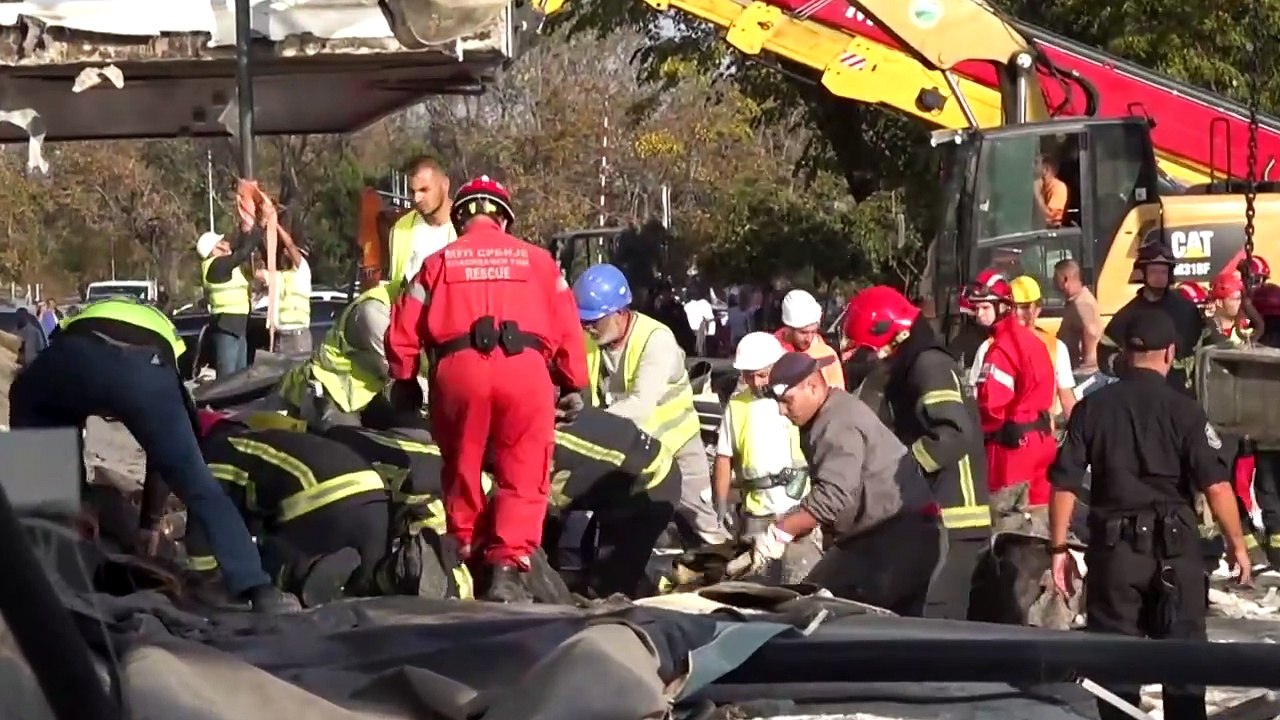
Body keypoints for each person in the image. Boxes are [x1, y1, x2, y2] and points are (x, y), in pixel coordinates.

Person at [9, 297, 296, 612]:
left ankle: (28, 546)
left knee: (29, 400)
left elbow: (61, 416)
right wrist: (150, 523)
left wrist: (76, 494)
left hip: (74, 357)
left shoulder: (84, 316)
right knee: (197, 482)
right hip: (145, 369)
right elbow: (164, 459)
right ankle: (257, 587)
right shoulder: (168, 340)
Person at [385, 175, 587, 602]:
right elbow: (568, 325)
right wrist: (573, 382)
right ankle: (506, 570)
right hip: (525, 372)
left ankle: (467, 551)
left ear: (460, 220)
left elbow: (405, 324)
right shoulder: (540, 263)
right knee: (524, 469)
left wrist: (404, 378)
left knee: (462, 465)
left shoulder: (437, 263)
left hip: (458, 372)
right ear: (504, 220)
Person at [1048, 308, 1251, 720]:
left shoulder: (1092, 408)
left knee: (1116, 668)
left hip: (1115, 556)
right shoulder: (1186, 411)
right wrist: (1237, 545)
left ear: (1125, 353)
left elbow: (1064, 483)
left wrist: (1057, 549)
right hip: (1176, 554)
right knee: (1185, 667)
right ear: (1170, 353)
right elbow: (1216, 486)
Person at [729, 352, 941, 616]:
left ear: (813, 387)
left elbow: (832, 496)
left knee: (829, 613)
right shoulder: (829, 413)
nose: (782, 411)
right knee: (827, 601)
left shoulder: (836, 423)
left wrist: (779, 532)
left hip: (896, 538)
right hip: (886, 535)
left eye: (787, 401)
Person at [842, 285, 991, 620]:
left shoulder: (929, 365)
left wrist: (904, 467)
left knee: (938, 621)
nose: (872, 356)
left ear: (892, 333)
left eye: (871, 348)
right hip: (937, 516)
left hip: (955, 516)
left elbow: (953, 433)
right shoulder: (914, 363)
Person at [574, 263, 728, 548]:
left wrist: (586, 425)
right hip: (632, 450)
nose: (588, 328)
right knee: (624, 527)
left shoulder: (655, 340)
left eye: (594, 320)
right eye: (584, 321)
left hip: (677, 448)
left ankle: (723, 565)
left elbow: (640, 407)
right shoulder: (590, 341)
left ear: (619, 313)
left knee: (703, 526)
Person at [187, 411, 391, 607]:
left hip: (326, 501)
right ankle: (371, 575)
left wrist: (202, 575)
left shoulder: (218, 451)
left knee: (265, 567)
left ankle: (303, 572)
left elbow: (204, 515)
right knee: (368, 580)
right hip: (375, 498)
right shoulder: (268, 442)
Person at [712, 332, 823, 585]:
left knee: (802, 578)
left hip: (797, 506)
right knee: (756, 583)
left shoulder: (796, 400)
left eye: (761, 375)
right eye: (748, 375)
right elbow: (723, 458)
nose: (755, 382)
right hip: (757, 513)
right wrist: (720, 503)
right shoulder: (737, 406)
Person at [975, 278, 1057, 507]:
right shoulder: (1034, 341)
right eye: (976, 308)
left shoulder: (1000, 349)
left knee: (1007, 516)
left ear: (1003, 306)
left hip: (1012, 448)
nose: (978, 315)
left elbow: (992, 406)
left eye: (985, 307)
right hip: (1042, 439)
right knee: (1040, 511)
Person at [275, 283, 397, 430]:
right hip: (333, 394)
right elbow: (397, 368)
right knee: (347, 441)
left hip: (360, 398)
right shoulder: (374, 311)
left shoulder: (402, 311)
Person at [1099, 243, 1204, 397]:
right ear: (1143, 273)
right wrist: (1127, 367)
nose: (1159, 276)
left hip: (1182, 392)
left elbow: (1206, 343)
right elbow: (1105, 352)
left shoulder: (1186, 310)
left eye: (1163, 272)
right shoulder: (1128, 314)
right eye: (1154, 271)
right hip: (1142, 393)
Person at [198, 183, 261, 377]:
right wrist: (260, 228)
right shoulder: (216, 267)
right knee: (227, 380)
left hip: (237, 327)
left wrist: (247, 225)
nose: (226, 243)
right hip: (226, 327)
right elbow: (242, 253)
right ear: (214, 250)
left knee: (240, 379)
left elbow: (239, 246)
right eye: (221, 242)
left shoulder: (221, 263)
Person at [386, 156, 456, 300]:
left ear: (445, 185)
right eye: (412, 191)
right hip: (409, 310)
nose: (416, 198)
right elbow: (394, 287)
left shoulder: (467, 227)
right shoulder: (400, 230)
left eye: (424, 190)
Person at [1010, 276, 1077, 420]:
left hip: (1042, 433)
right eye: (1012, 307)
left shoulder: (1056, 348)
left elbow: (1067, 400)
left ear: (1037, 309)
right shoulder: (989, 347)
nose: (1018, 313)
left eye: (1025, 307)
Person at [775, 289, 844, 390]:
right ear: (789, 327)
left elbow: (838, 395)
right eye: (803, 332)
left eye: (813, 331)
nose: (809, 338)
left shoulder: (827, 355)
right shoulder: (772, 350)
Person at [262, 224, 312, 357]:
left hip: (297, 336)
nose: (285, 252)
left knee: (299, 369)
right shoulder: (278, 276)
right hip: (280, 336)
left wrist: (275, 225)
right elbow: (255, 272)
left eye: (289, 252)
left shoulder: (303, 271)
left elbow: (289, 244)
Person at [1052, 259, 1103, 375]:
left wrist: (1085, 368)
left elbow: (1091, 332)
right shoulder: (1075, 301)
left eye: (1055, 278)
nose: (1053, 283)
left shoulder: (1082, 303)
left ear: (1064, 279)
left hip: (1082, 374)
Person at [1034, 154, 1068, 228]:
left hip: (1051, 229)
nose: (1034, 169)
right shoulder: (1041, 185)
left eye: (1036, 165)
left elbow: (1051, 216)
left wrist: (1037, 194)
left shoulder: (1059, 187)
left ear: (1046, 170)